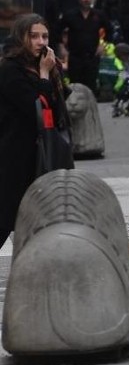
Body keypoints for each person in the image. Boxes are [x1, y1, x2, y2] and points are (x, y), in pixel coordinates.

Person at [0, 14, 68, 249]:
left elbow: (58, 108)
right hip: (15, 154)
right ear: (21, 38)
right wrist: (44, 75)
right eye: (34, 36)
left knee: (38, 218)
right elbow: (35, 106)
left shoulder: (44, 66)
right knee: (7, 217)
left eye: (45, 36)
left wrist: (52, 72)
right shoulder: (11, 69)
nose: (41, 42)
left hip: (41, 153)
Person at [60, 0, 109, 93]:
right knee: (75, 85)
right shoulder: (70, 15)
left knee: (91, 85)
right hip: (75, 56)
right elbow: (57, 31)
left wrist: (103, 44)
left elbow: (110, 30)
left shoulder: (98, 15)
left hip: (92, 56)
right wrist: (62, 47)